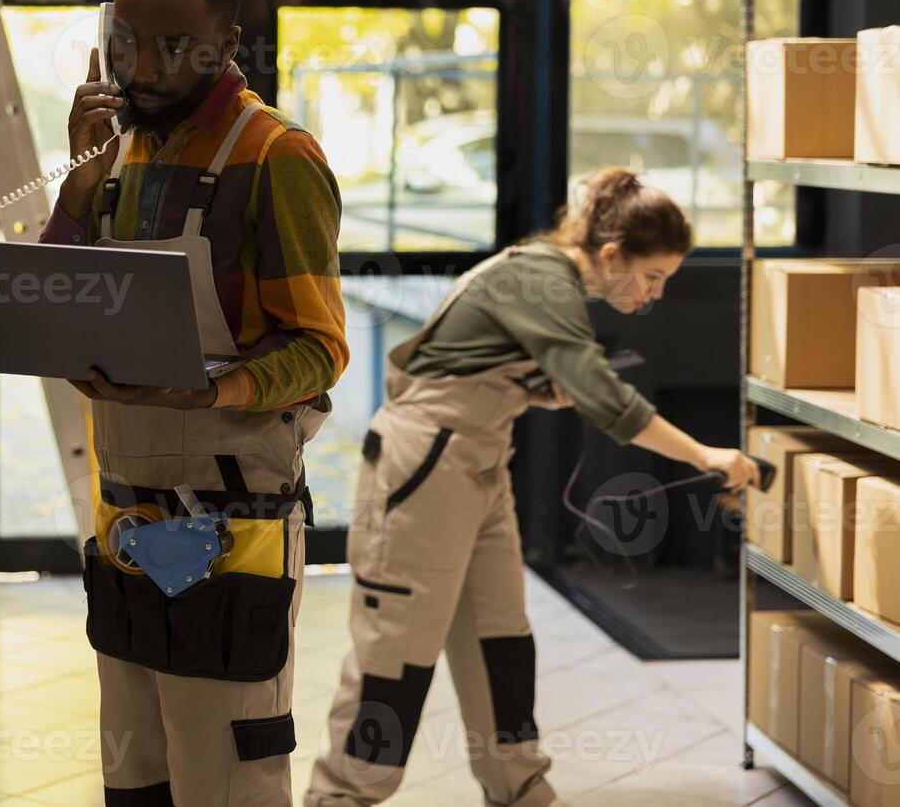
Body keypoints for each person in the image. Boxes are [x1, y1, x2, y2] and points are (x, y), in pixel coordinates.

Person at [305, 168, 760, 807]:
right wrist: (707, 454)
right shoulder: (542, 277)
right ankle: (342, 797)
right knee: (398, 651)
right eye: (653, 276)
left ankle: (519, 790)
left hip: (478, 464)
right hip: (426, 465)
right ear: (611, 254)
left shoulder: (554, 280)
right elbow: (607, 400)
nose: (654, 294)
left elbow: (480, 359)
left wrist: (529, 387)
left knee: (502, 641)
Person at [39, 0, 350, 805]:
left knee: (222, 782)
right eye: (127, 38)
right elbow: (59, 304)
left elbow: (321, 348)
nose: (144, 65)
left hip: (230, 533)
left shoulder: (276, 158)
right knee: (134, 780)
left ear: (226, 45)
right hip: (125, 526)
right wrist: (74, 184)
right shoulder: (121, 152)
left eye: (174, 45)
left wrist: (212, 387)